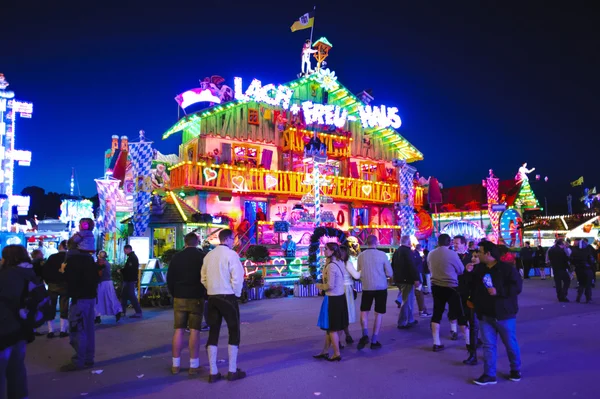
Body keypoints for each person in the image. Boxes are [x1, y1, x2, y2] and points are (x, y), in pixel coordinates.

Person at [472, 240, 523, 386]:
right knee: (488, 345)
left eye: (480, 252)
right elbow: (473, 287)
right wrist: (468, 273)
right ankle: (489, 374)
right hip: (485, 314)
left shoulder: (507, 269)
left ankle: (515, 370)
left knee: (510, 343)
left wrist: (498, 292)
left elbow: (517, 288)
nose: (477, 255)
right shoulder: (479, 269)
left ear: (488, 254)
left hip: (504, 313)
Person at [201, 229, 245, 382]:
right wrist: (236, 293)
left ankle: (213, 372)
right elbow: (238, 277)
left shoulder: (209, 256)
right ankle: (232, 370)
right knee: (234, 331)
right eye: (233, 239)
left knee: (213, 332)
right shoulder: (231, 255)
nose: (234, 241)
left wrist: (211, 289)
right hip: (228, 297)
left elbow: (203, 278)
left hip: (212, 297)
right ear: (228, 239)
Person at [167, 233, 206, 376]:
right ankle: (193, 365)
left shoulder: (176, 257)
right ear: (197, 242)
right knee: (195, 330)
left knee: (179, 330)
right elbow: (205, 277)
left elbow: (170, 279)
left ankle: (175, 365)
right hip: (196, 297)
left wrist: (174, 293)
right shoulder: (202, 257)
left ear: (185, 242)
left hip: (179, 297)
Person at [0, 245, 36, 399]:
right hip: (21, 327)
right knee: (17, 370)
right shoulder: (29, 273)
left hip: (5, 328)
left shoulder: (7, 275)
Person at [60, 239, 99, 371]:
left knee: (78, 330)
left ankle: (79, 360)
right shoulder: (89, 259)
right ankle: (88, 357)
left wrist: (62, 272)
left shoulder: (72, 261)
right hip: (90, 297)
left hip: (79, 298)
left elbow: (69, 280)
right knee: (88, 329)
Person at [427, 234, 465, 352]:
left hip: (436, 286)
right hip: (451, 286)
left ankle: (436, 342)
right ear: (449, 243)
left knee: (437, 313)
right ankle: (468, 341)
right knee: (459, 312)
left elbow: (429, 268)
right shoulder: (452, 254)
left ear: (438, 242)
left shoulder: (431, 254)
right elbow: (461, 270)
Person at [356, 235, 393, 350]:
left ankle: (365, 334)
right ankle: (374, 339)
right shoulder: (382, 255)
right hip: (381, 287)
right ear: (376, 242)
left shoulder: (361, 256)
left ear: (366, 243)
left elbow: (359, 272)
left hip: (367, 287)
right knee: (378, 313)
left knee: (364, 311)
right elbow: (389, 273)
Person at [314, 243, 349, 361]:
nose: (324, 251)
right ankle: (325, 351)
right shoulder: (340, 262)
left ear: (332, 251)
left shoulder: (331, 266)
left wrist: (319, 286)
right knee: (332, 328)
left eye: (326, 249)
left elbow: (330, 285)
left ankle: (336, 353)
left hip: (332, 299)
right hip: (340, 297)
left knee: (332, 328)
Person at [42, 240, 70, 338]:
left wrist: (47, 281)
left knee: (51, 306)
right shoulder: (69, 258)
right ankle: (63, 330)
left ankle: (51, 330)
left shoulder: (52, 257)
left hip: (52, 285)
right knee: (64, 307)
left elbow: (45, 270)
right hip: (65, 285)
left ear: (60, 246)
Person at [392, 236, 421, 330]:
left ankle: (409, 319)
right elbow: (412, 266)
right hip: (407, 279)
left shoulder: (397, 251)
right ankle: (403, 321)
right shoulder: (408, 252)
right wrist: (416, 278)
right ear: (408, 242)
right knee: (407, 301)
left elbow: (393, 265)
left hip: (399, 279)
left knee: (407, 300)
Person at [338, 245, 360, 346]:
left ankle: (347, 335)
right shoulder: (347, 263)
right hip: (346, 289)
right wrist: (361, 270)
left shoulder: (334, 263)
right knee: (345, 314)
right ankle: (339, 338)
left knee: (339, 313)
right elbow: (356, 276)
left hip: (336, 289)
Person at [94, 251, 122, 324]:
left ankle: (98, 316)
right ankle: (117, 311)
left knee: (99, 300)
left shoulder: (101, 263)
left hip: (102, 283)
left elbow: (99, 273)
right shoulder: (106, 263)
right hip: (108, 282)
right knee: (110, 299)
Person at [120, 245, 143, 318]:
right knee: (124, 295)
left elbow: (129, 269)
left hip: (129, 279)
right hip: (129, 279)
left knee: (131, 295)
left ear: (128, 249)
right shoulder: (131, 257)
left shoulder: (132, 258)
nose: (124, 252)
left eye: (125, 250)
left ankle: (138, 312)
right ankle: (123, 311)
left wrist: (121, 271)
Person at [570, 239, 593, 303]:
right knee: (588, 284)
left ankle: (578, 298)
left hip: (579, 269)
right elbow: (591, 259)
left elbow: (571, 260)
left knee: (581, 283)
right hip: (587, 268)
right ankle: (588, 298)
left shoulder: (574, 251)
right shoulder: (587, 250)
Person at [413, 244, 431, 317]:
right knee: (419, 294)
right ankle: (422, 311)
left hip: (417, 276)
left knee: (419, 293)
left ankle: (423, 310)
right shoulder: (416, 256)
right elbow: (417, 267)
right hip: (417, 276)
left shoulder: (414, 254)